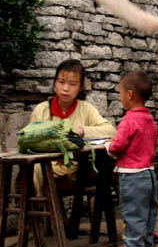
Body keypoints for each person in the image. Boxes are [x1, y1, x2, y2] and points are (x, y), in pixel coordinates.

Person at [29, 59, 115, 193]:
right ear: (55, 83)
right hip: (47, 167)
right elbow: (31, 140)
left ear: (80, 87)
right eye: (61, 82)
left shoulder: (86, 109)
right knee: (38, 169)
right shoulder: (42, 110)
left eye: (73, 84)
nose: (65, 88)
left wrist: (82, 130)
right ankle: (41, 209)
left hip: (75, 170)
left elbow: (110, 131)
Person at [107, 70, 158, 247]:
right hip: (149, 173)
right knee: (148, 210)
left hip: (132, 175)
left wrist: (108, 146)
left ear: (129, 95)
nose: (120, 98)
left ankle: (134, 244)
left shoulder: (129, 120)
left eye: (120, 93)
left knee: (133, 211)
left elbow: (118, 146)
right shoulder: (149, 119)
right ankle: (147, 240)